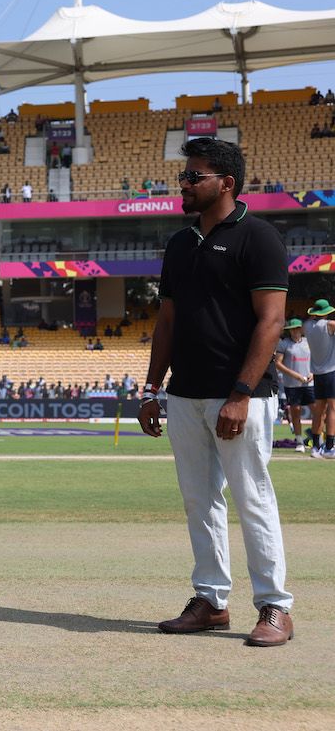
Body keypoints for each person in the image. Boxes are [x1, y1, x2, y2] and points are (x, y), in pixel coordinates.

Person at [138, 137, 293, 646]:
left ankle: (274, 607)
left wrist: (241, 393)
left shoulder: (259, 238)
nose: (183, 184)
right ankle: (211, 600)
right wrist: (150, 388)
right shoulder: (181, 243)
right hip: (185, 395)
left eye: (193, 176)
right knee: (198, 501)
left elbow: (271, 321)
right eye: (183, 176)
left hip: (240, 396)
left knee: (252, 500)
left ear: (225, 183)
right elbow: (167, 320)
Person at [274, 318, 315, 446]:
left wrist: (312, 373)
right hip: (291, 384)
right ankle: (299, 441)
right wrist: (295, 375)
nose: (295, 330)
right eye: (293, 328)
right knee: (295, 411)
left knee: (318, 412)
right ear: (289, 330)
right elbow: (278, 363)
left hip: (309, 383)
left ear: (301, 329)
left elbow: (316, 359)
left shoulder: (309, 342)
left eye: (297, 328)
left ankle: (317, 439)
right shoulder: (284, 344)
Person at [304, 299, 335, 456]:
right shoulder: (329, 325)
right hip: (331, 372)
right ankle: (329, 447)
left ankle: (316, 447)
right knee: (333, 409)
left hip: (318, 374)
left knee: (318, 411)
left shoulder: (307, 326)